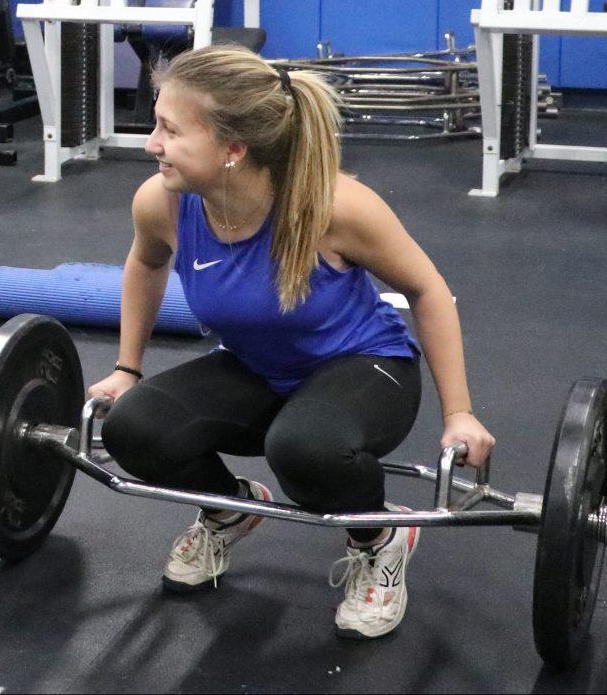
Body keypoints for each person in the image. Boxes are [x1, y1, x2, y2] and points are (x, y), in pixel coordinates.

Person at [88, 45, 496, 640]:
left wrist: (459, 413)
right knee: (132, 426)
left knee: (304, 450)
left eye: (170, 130)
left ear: (233, 150)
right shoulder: (164, 203)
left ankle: (380, 537)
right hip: (257, 367)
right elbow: (144, 266)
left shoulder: (335, 207)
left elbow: (429, 291)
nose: (151, 143)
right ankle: (228, 508)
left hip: (365, 367)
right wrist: (128, 368)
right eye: (156, 124)